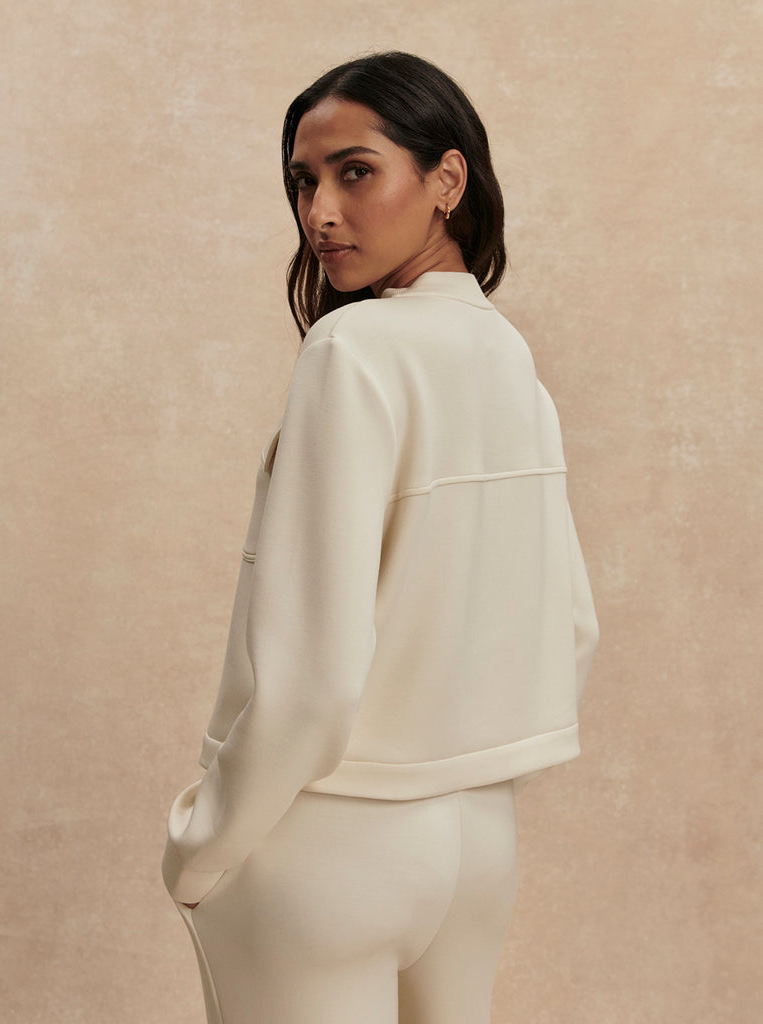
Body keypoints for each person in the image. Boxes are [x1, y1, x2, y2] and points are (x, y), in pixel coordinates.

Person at [161, 50, 599, 1024]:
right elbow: (571, 627)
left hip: (324, 841)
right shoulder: (505, 355)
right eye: (302, 182)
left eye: (354, 171)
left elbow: (312, 677)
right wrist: (460, 766)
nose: (320, 212)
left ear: (447, 179)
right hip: (475, 843)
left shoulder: (351, 348)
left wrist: (201, 845)